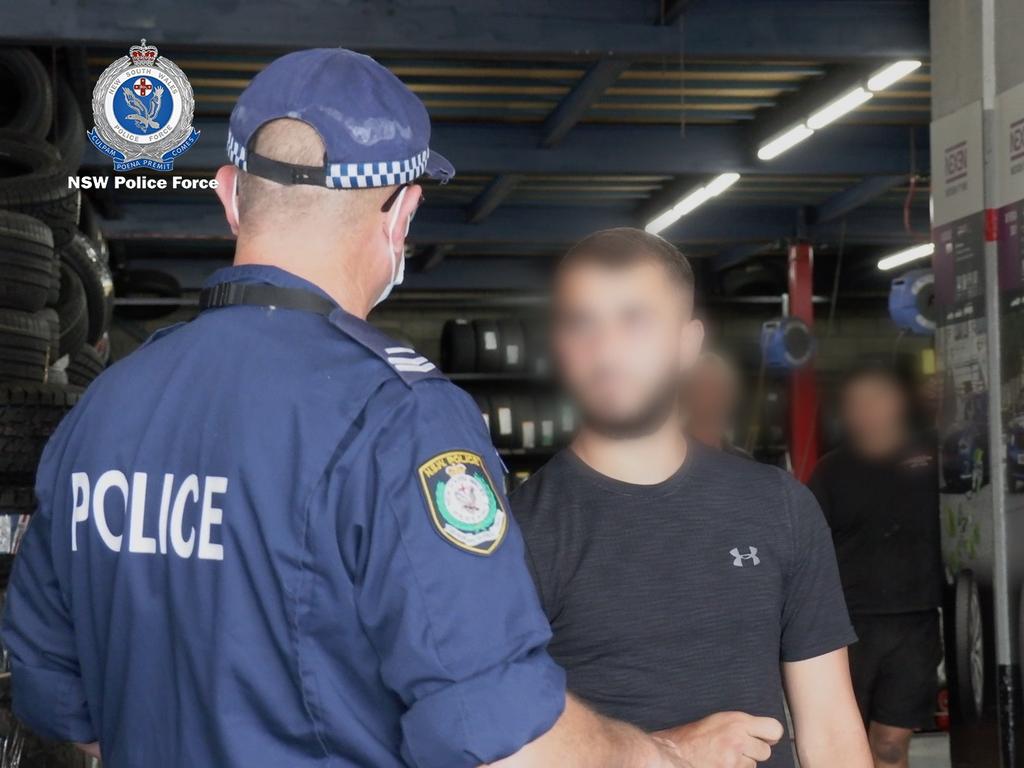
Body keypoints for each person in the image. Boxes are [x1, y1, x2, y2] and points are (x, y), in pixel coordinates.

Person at [0, 50, 701, 768]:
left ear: (230, 194)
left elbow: (62, 703)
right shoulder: (401, 420)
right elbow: (504, 741)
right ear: (402, 210)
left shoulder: (104, 408)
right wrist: (661, 756)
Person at [512, 228, 873, 768]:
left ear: (687, 343)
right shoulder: (516, 535)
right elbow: (497, 744)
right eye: (583, 324)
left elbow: (830, 728)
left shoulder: (778, 507)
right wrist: (669, 751)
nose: (607, 349)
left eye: (635, 321)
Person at [808, 363, 944, 768]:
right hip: (848, 628)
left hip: (916, 624)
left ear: (898, 405)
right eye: (857, 403)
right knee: (844, 747)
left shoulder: (932, 456)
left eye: (877, 399)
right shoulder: (831, 471)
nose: (867, 410)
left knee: (888, 745)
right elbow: (808, 551)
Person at [685, 351, 751, 458]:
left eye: (718, 387)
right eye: (703, 386)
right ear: (687, 393)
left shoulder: (745, 462)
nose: (712, 396)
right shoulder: (666, 462)